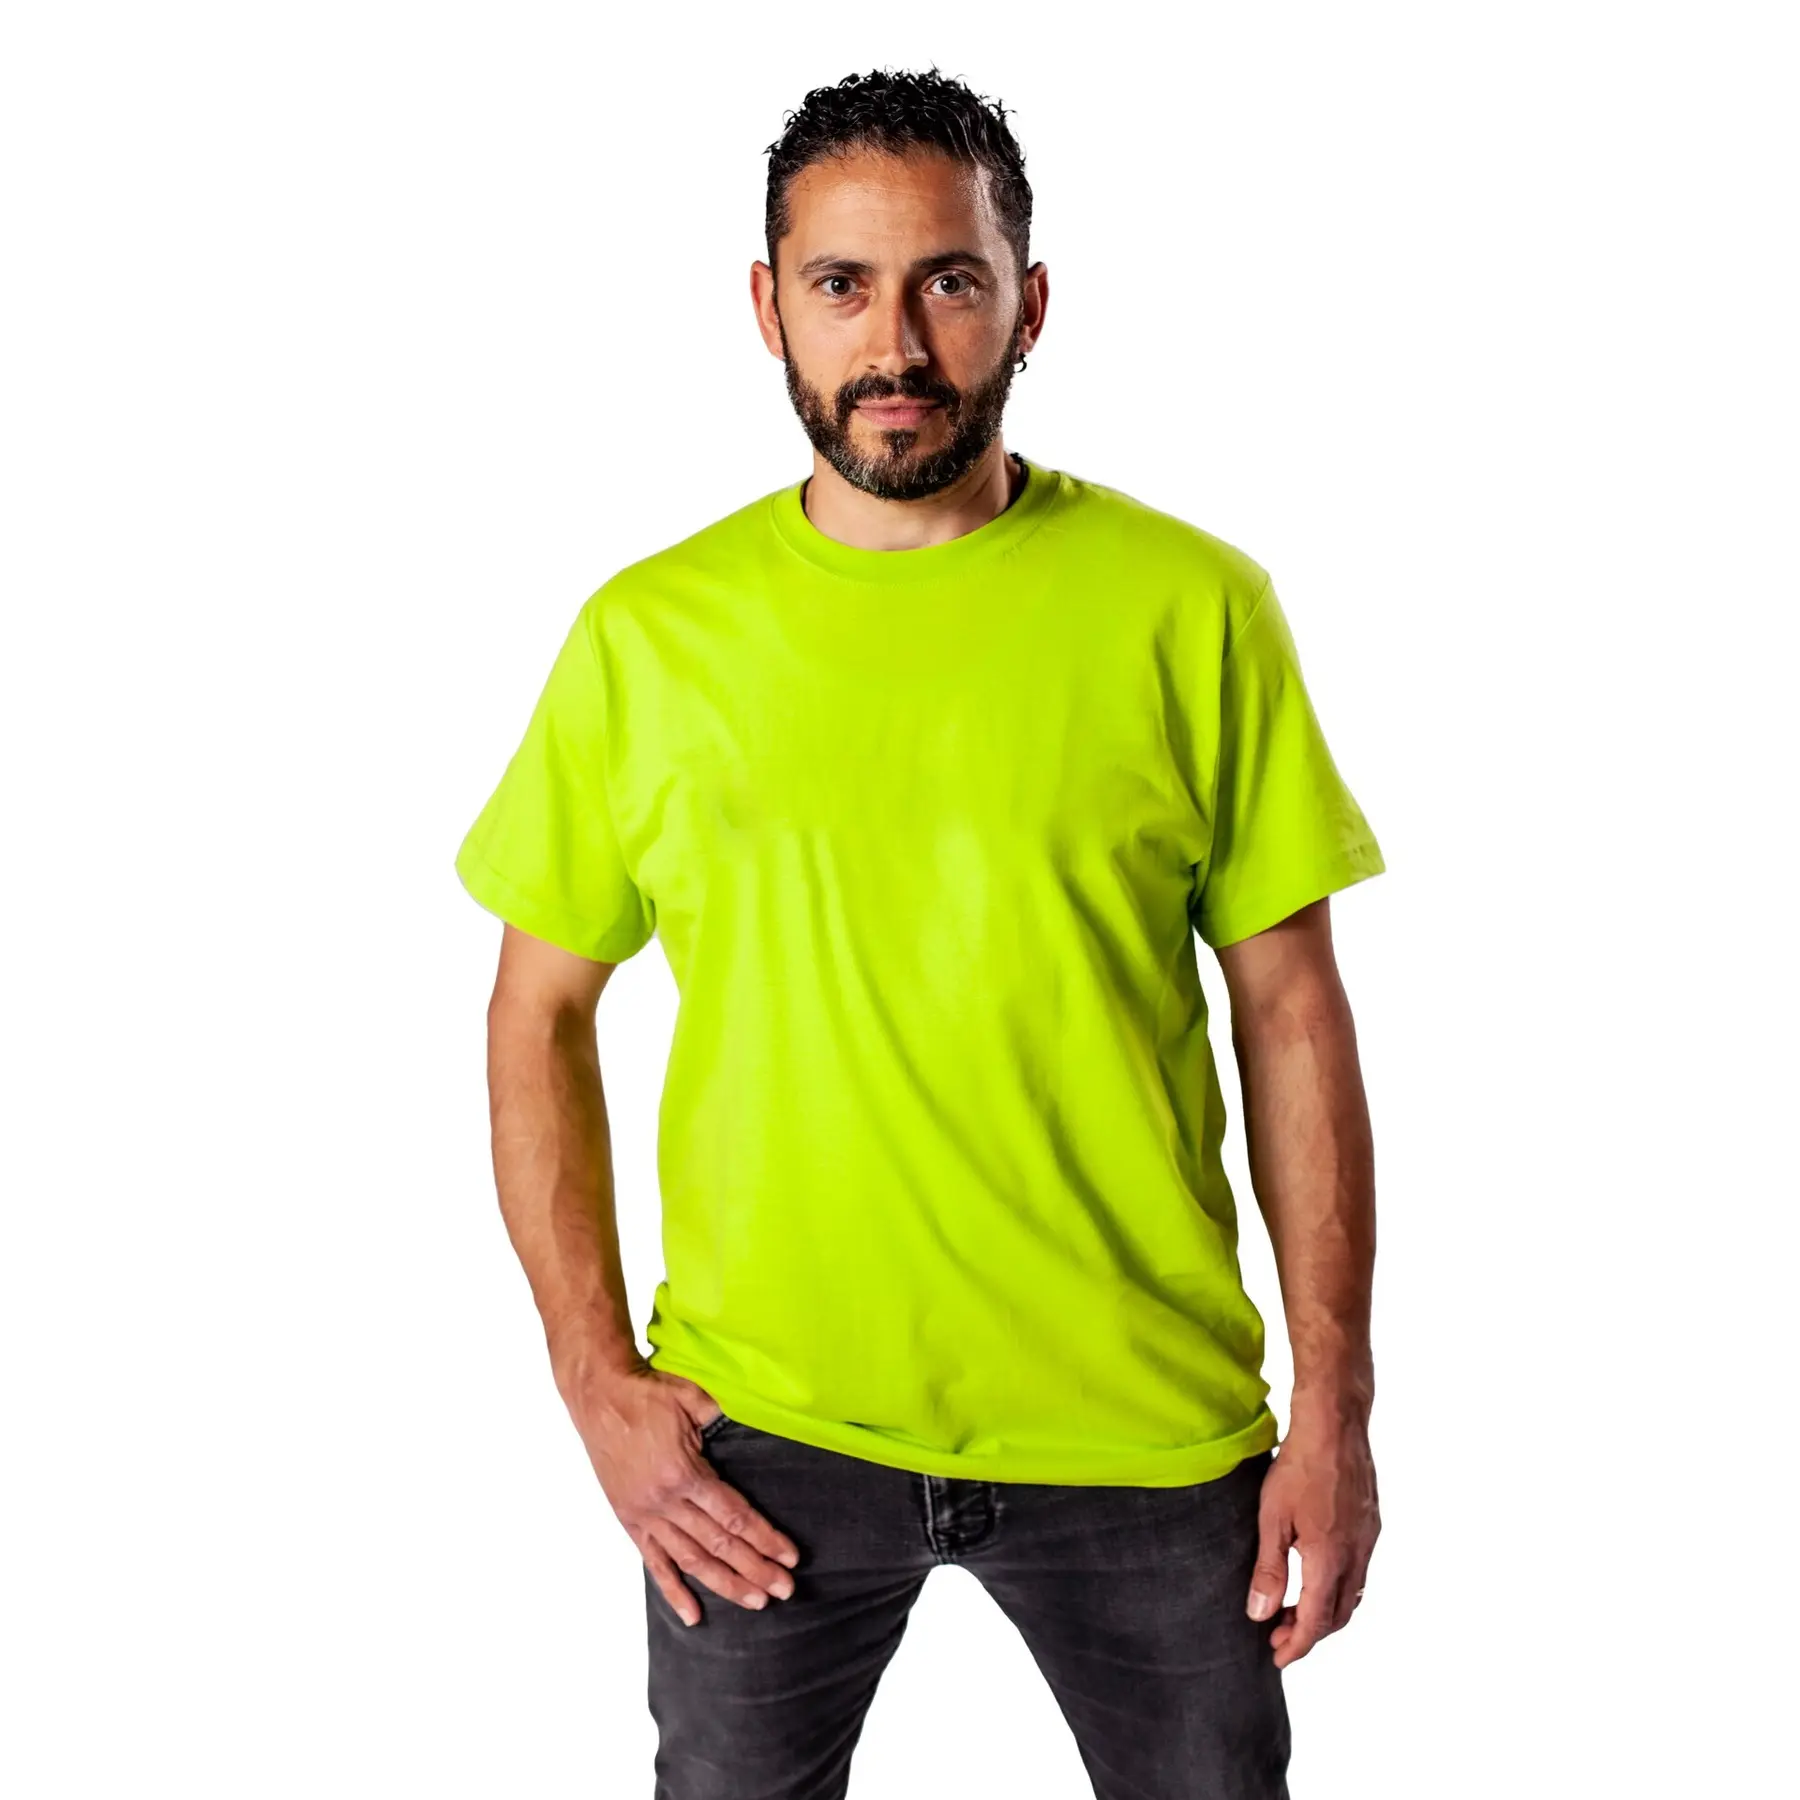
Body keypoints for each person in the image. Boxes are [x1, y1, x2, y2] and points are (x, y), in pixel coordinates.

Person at [455, 64, 1385, 1800]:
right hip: (760, 1439)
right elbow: (536, 1010)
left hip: (1143, 1425)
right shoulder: (649, 639)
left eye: (948, 281)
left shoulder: (1192, 609)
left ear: (1029, 303)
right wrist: (593, 1377)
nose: (895, 343)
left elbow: (1292, 1013)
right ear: (768, 309)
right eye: (842, 285)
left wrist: (1336, 1404)